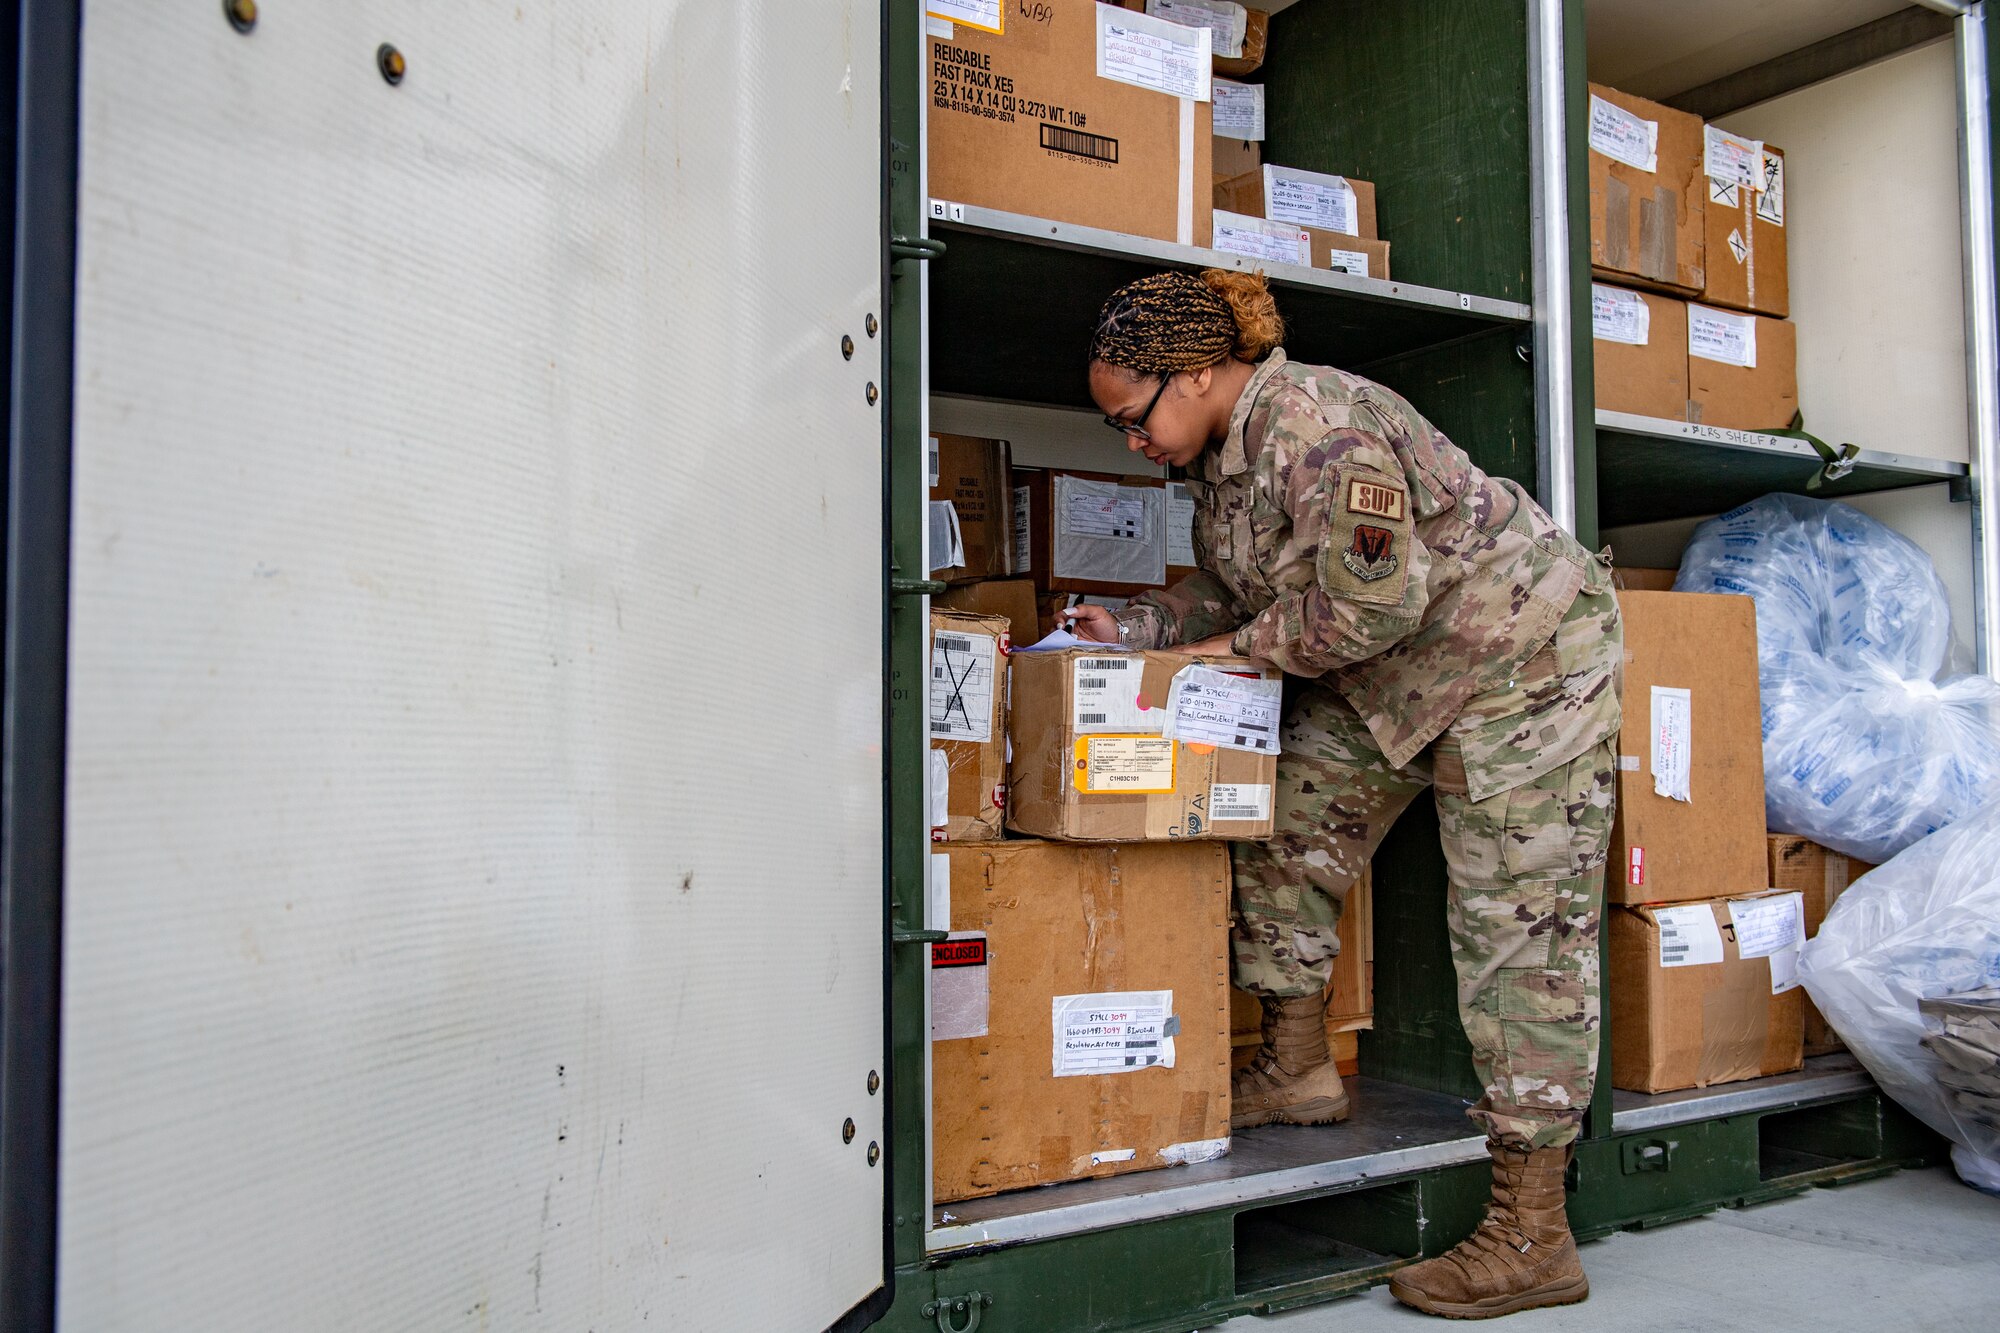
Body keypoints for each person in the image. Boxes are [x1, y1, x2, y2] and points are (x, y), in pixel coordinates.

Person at [1066, 269, 1621, 1320]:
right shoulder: (1220, 459)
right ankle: (1296, 1067)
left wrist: (1224, 651)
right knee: (1281, 820)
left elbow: (1364, 609)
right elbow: (1244, 588)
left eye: (1131, 419)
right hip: (1400, 670)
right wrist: (1138, 631)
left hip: (1522, 664)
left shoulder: (1316, 428)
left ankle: (1532, 1229)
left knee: (1519, 926)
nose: (1130, 442)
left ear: (1192, 373)